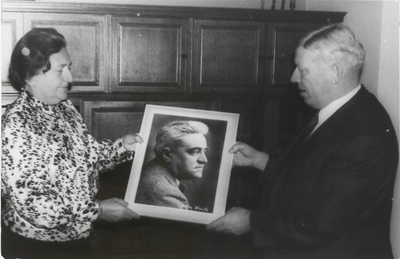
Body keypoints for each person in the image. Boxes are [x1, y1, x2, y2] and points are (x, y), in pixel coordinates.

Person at [206, 24, 399, 259]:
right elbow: (313, 175)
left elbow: (318, 225)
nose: (293, 78)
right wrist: (261, 161)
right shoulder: (337, 110)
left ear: (335, 72)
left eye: (302, 69)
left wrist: (251, 221)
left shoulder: (363, 137)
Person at [1, 28, 143, 259]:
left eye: (69, 67)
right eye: (60, 70)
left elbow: (88, 158)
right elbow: (35, 205)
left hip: (76, 240)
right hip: (35, 247)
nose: (70, 77)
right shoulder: (16, 124)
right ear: (30, 77)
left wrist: (122, 147)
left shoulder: (65, 109)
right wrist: (98, 211)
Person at [135, 120, 209, 209]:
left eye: (204, 151)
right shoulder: (166, 193)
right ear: (166, 155)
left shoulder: (150, 173)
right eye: (194, 151)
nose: (204, 160)